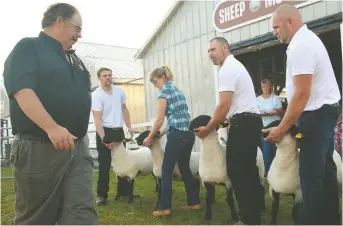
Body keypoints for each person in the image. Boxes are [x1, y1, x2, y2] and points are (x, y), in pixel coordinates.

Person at [2, 3, 98, 225]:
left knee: (82, 213)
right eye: (77, 27)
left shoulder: (74, 59)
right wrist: (51, 127)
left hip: (78, 149)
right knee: (37, 217)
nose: (80, 35)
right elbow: (21, 89)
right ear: (59, 20)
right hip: (40, 148)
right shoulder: (28, 48)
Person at [264, 4, 341, 225]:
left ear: (291, 22)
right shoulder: (306, 41)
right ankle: (331, 220)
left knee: (310, 175)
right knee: (325, 169)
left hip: (316, 114)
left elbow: (302, 94)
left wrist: (281, 129)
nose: (274, 31)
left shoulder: (301, 46)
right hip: (323, 112)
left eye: (276, 26)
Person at [194, 37, 264, 225]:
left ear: (225, 48)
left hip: (243, 123)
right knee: (248, 170)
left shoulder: (227, 69)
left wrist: (208, 128)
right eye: (208, 51)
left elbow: (224, 104)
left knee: (238, 172)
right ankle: (254, 215)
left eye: (213, 50)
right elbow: (229, 106)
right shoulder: (235, 66)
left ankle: (248, 220)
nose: (210, 55)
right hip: (248, 121)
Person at [143, 65, 200, 217]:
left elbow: (160, 119)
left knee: (166, 170)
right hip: (188, 134)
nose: (155, 86)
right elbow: (177, 116)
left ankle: (164, 207)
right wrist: (161, 134)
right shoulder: (177, 91)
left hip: (177, 136)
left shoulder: (164, 92)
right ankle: (194, 202)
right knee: (184, 168)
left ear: (162, 78)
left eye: (155, 82)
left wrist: (149, 137)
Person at [91, 67, 135, 206]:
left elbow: (124, 109)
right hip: (104, 131)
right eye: (105, 75)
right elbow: (97, 119)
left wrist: (129, 126)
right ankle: (102, 195)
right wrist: (104, 138)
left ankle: (125, 192)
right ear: (99, 78)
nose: (108, 78)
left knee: (123, 161)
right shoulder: (96, 95)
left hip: (118, 130)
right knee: (104, 165)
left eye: (110, 75)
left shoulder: (119, 91)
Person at [256, 79, 283, 175]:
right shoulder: (258, 100)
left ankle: (278, 171)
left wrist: (277, 111)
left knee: (276, 149)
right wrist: (260, 113)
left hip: (276, 125)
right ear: (261, 88)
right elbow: (255, 112)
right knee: (266, 150)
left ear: (270, 86)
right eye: (263, 87)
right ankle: (267, 172)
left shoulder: (275, 98)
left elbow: (281, 112)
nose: (265, 88)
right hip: (264, 126)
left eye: (267, 86)